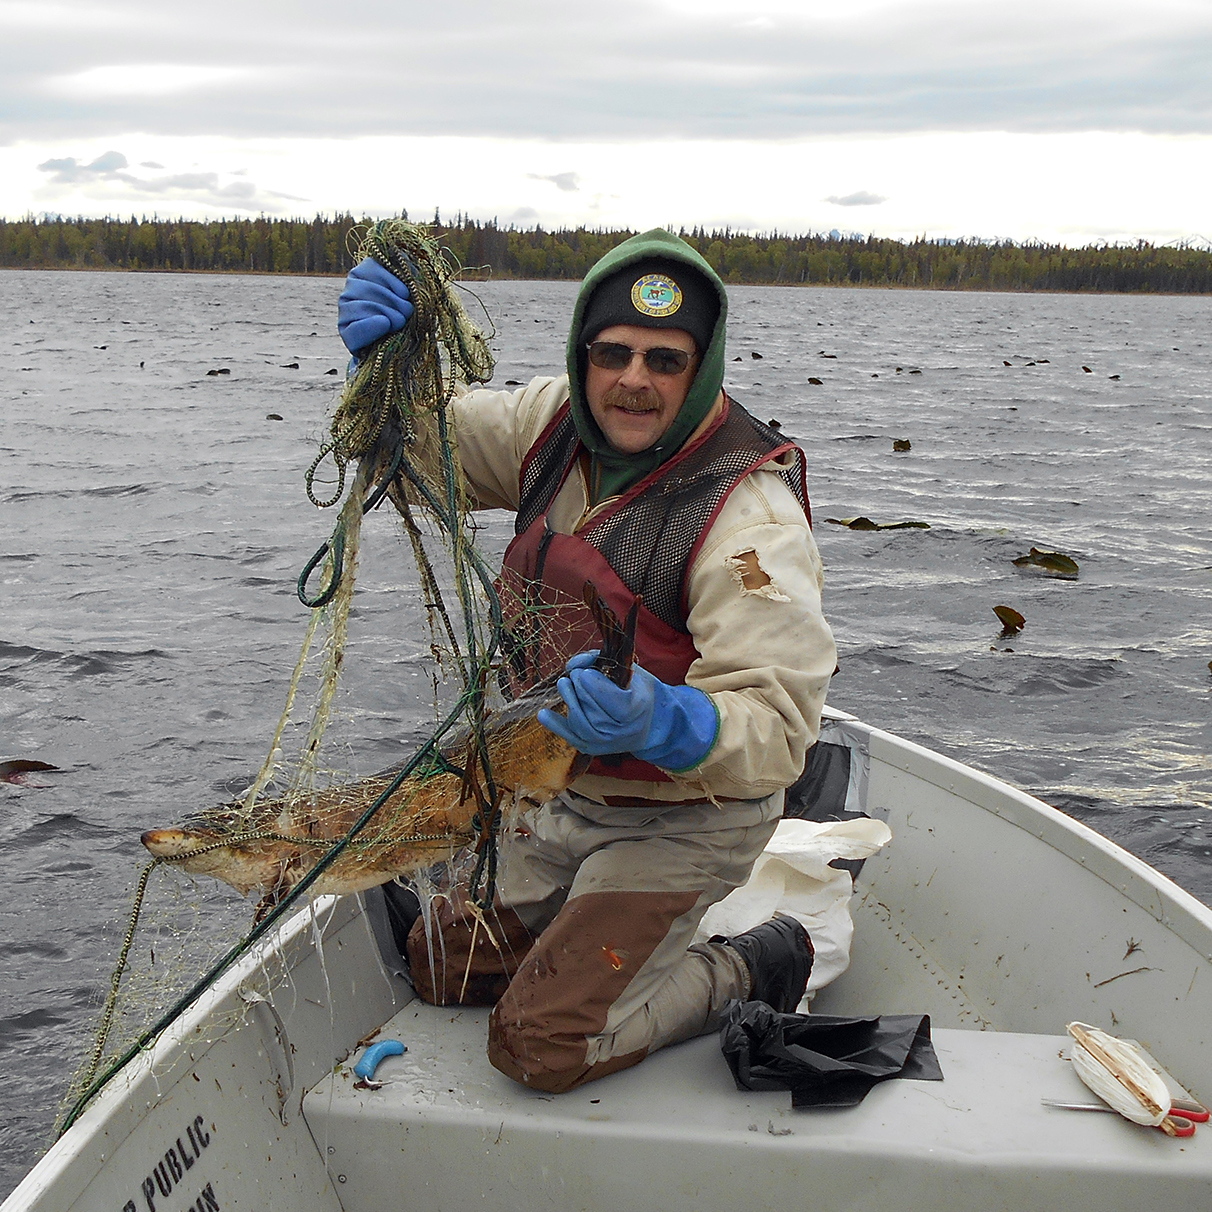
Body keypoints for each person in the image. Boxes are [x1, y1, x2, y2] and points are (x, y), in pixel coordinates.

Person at [336, 229, 838, 1092]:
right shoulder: (551, 426)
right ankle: (586, 925)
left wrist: (671, 719)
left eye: (664, 359)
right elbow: (422, 455)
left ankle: (753, 962)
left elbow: (780, 729)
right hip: (572, 795)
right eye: (612, 353)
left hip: (692, 812)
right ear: (584, 355)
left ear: (701, 367)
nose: (633, 379)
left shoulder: (750, 516)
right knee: (440, 965)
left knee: (540, 1042)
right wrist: (378, 368)